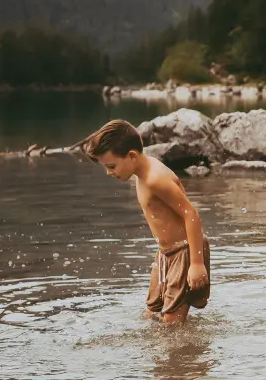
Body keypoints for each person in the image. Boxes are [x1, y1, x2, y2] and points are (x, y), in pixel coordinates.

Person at [82, 120, 210, 325]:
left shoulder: (155, 179)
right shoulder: (141, 174)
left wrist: (196, 264)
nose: (109, 173)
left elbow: (191, 214)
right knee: (151, 314)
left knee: (171, 323)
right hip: (165, 254)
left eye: (111, 166)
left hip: (184, 252)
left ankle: (186, 355)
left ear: (132, 156)